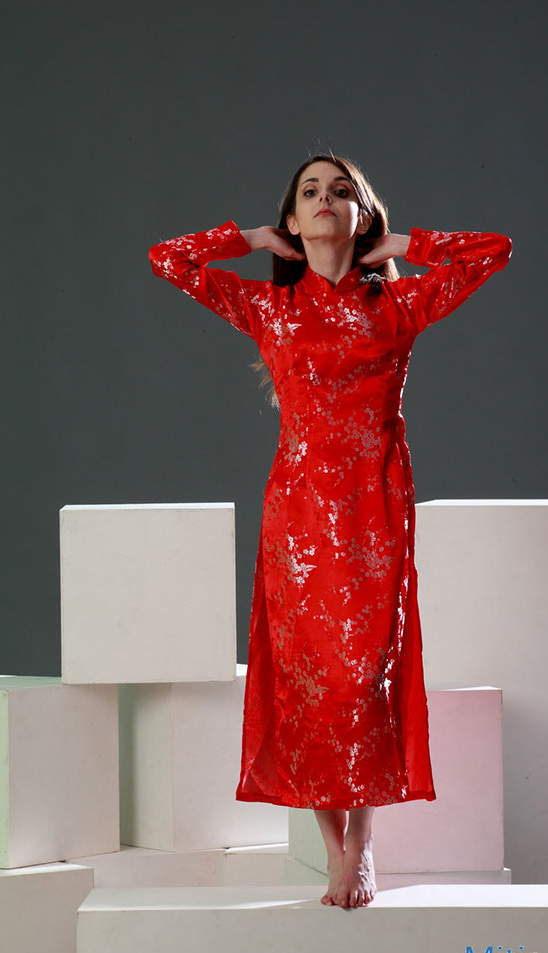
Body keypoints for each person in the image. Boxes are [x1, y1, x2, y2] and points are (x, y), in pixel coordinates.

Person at [148, 152, 512, 910]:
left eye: (340, 191)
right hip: (299, 517)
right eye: (309, 192)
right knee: (310, 683)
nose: (323, 200)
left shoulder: (400, 304)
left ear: (359, 213)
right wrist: (251, 237)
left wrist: (405, 244)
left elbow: (493, 251)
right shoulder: (271, 308)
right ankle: (334, 848)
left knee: (365, 677)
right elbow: (168, 260)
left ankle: (365, 845)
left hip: (375, 510)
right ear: (293, 219)